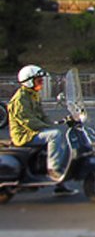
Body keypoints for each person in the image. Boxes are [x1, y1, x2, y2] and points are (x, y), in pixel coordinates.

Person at [7, 65, 78, 196]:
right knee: (54, 136)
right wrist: (46, 127)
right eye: (38, 80)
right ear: (29, 81)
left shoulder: (33, 95)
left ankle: (60, 184)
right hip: (24, 136)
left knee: (59, 144)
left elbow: (42, 114)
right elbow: (28, 121)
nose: (41, 83)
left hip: (32, 132)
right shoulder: (19, 100)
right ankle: (53, 169)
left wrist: (53, 123)